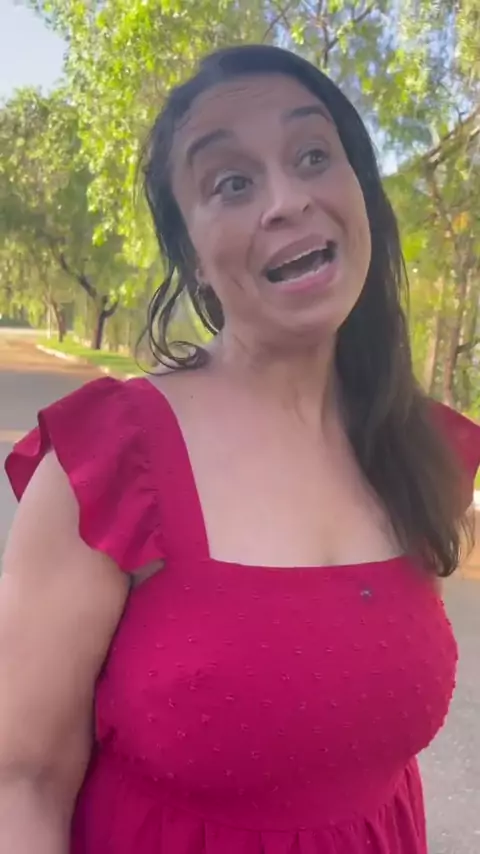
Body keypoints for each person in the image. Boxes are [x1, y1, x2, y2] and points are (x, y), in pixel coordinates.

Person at [0, 44, 479, 854]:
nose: (287, 201)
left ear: (361, 192)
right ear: (190, 254)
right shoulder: (106, 463)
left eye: (313, 155)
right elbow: (22, 784)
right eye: (231, 182)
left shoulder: (422, 451)